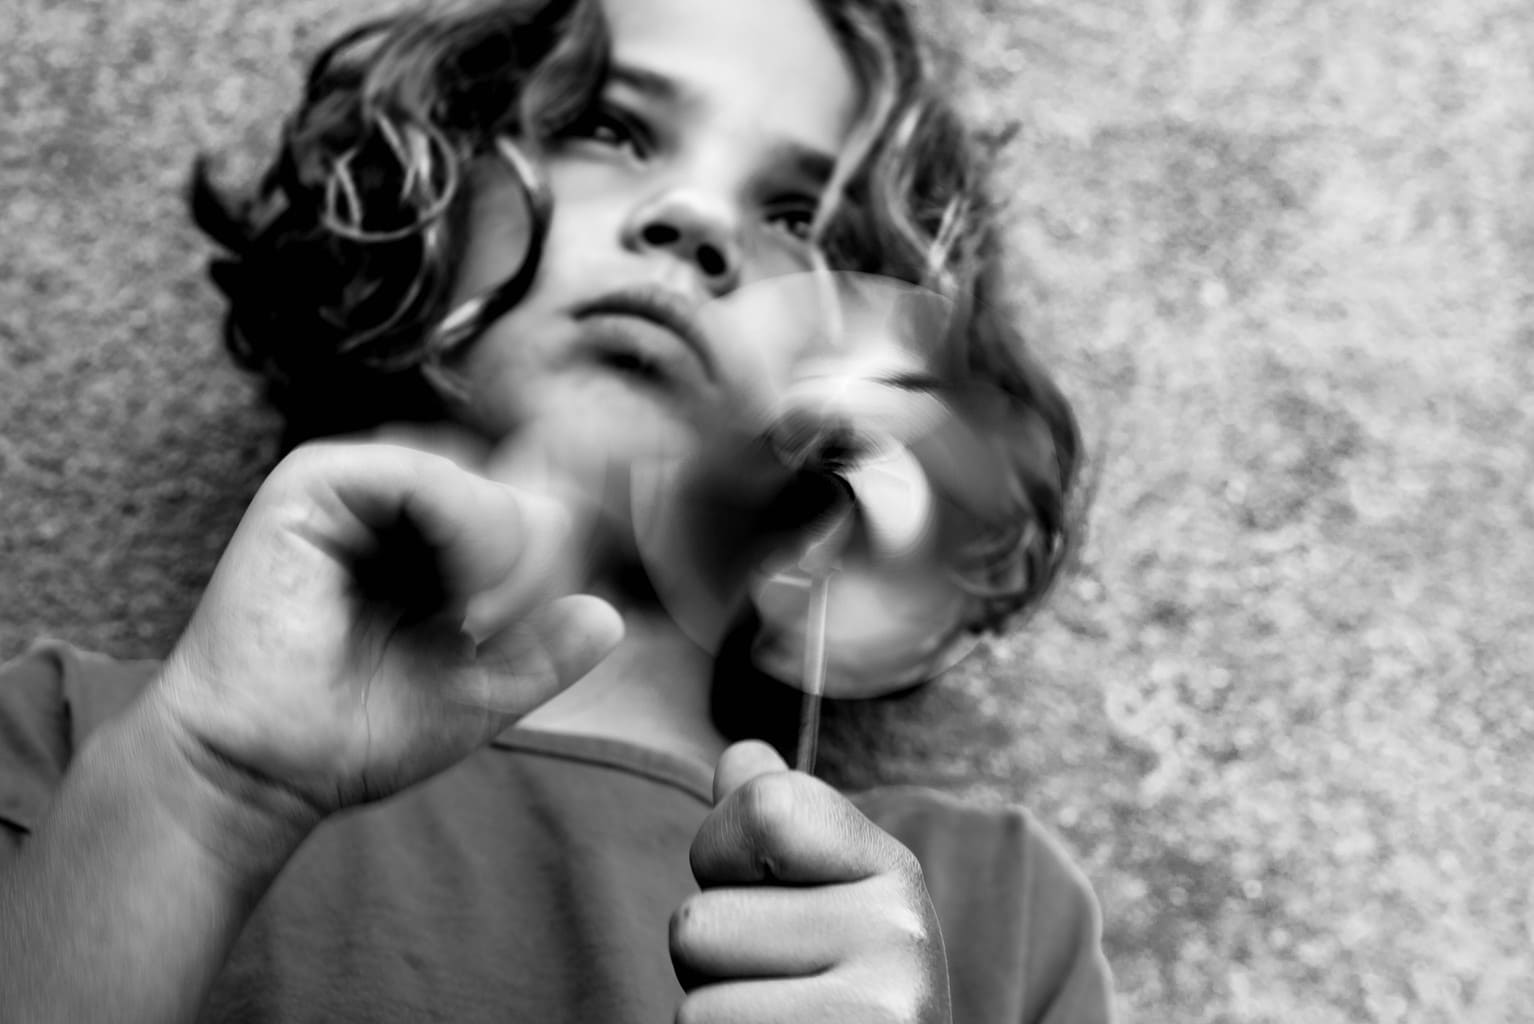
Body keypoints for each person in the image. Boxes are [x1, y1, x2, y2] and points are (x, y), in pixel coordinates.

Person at [0, 0, 1115, 1020]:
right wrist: (203, 792)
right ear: (429, 176)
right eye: (613, 129)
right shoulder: (76, 745)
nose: (693, 217)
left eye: (795, 214)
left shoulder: (986, 914)